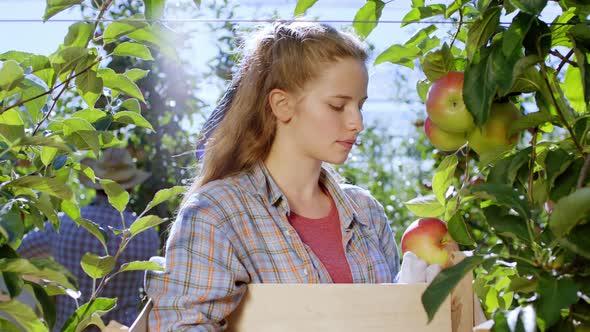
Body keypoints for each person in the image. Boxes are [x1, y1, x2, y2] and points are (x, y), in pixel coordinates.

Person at [145, 21, 441, 331]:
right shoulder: (218, 214)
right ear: (282, 105)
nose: (357, 123)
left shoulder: (366, 213)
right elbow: (180, 325)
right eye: (338, 106)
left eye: (360, 105)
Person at [18, 147, 160, 331]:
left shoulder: (66, 223)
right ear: (131, 186)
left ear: (95, 184)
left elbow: (21, 251)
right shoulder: (146, 233)